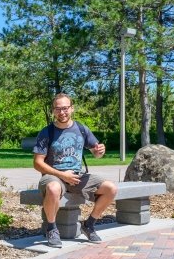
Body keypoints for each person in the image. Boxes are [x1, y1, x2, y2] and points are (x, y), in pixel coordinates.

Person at [33, 93, 118, 248]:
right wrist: (62, 175)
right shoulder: (46, 132)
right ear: (53, 111)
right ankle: (51, 229)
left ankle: (89, 224)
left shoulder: (81, 129)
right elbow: (37, 163)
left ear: (72, 109)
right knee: (52, 188)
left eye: (65, 108)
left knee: (110, 188)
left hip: (78, 177)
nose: (62, 112)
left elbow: (96, 152)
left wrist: (99, 151)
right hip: (55, 176)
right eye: (58, 109)